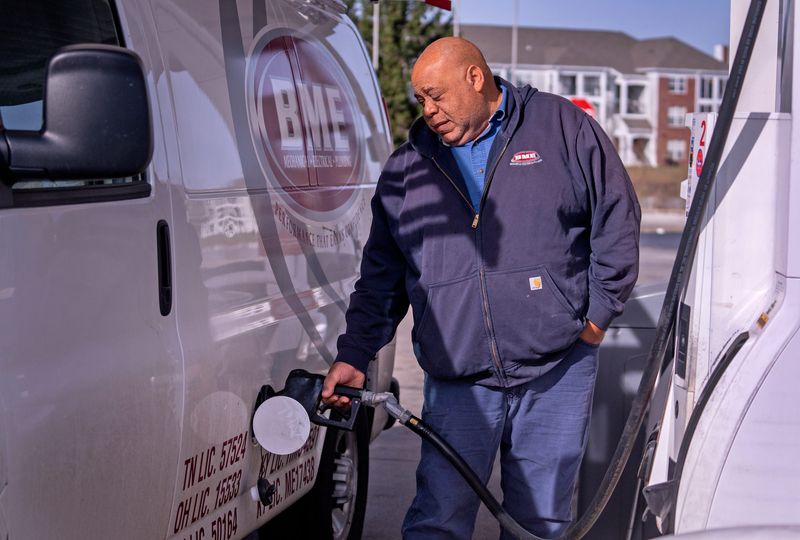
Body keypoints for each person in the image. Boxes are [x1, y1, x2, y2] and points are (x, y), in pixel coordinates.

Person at [323, 37, 640, 539]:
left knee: (538, 523)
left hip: (556, 366)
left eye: (436, 95)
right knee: (438, 518)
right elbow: (381, 276)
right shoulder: (407, 171)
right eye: (420, 100)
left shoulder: (561, 127)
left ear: (475, 78)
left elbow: (616, 223)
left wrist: (596, 319)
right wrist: (355, 353)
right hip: (459, 377)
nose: (428, 110)